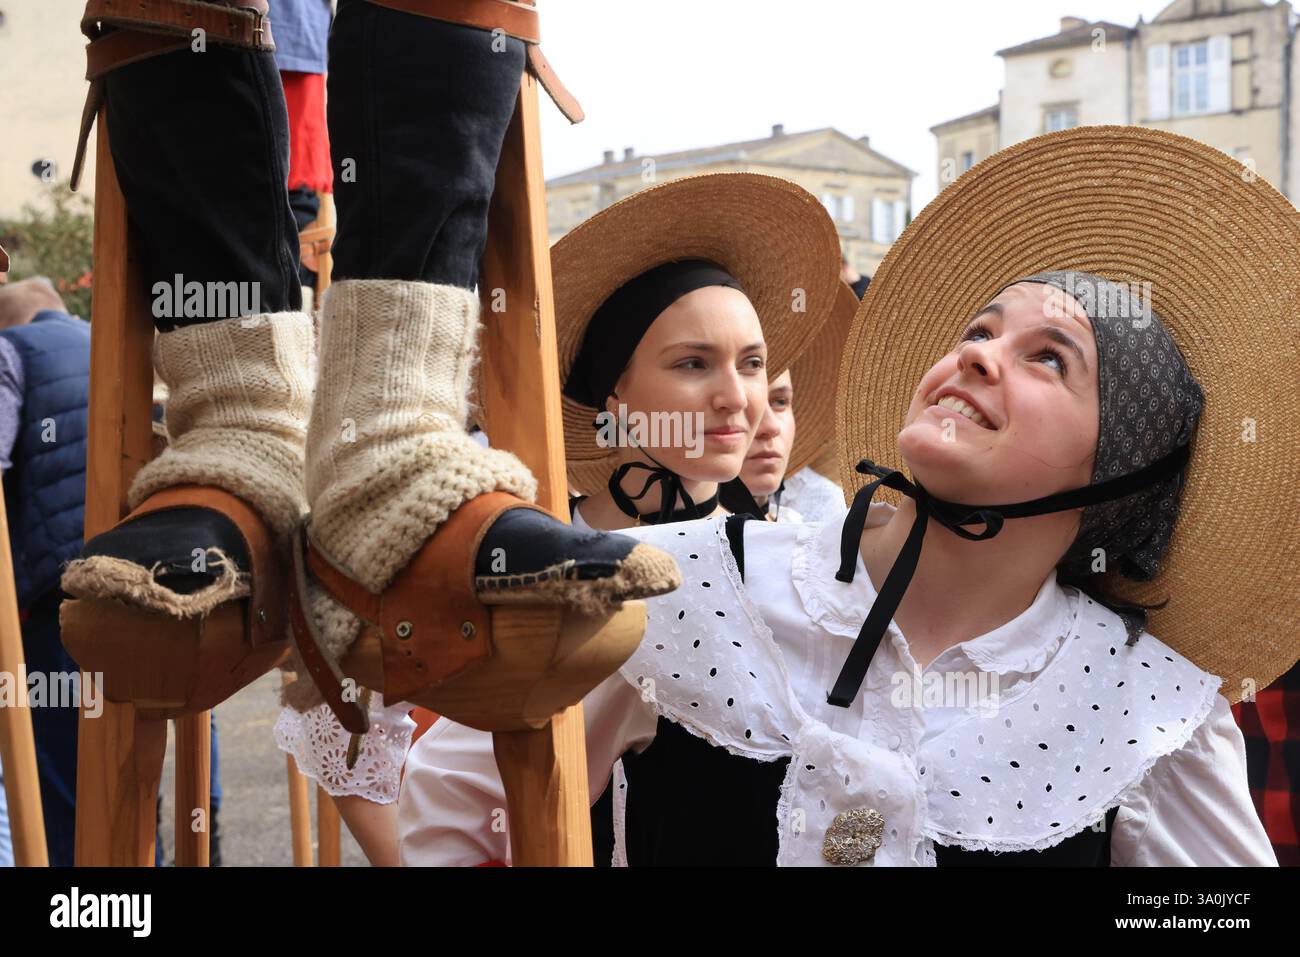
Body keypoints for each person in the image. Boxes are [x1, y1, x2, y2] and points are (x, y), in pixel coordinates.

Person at [396, 125, 1292, 866]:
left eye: (1048, 358)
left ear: (1121, 470)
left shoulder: (1144, 710)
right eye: (979, 329)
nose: (976, 354)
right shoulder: (687, 586)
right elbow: (453, 807)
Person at [276, 170, 843, 863]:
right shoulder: (508, 549)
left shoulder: (793, 561)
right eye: (694, 363)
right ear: (616, 393)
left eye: (752, 363)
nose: (736, 397)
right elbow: (353, 721)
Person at [0, 277, 89, 867]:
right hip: (136, 587)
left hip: (50, 601)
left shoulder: (11, 352)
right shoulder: (105, 342)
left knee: (56, 790)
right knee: (124, 782)